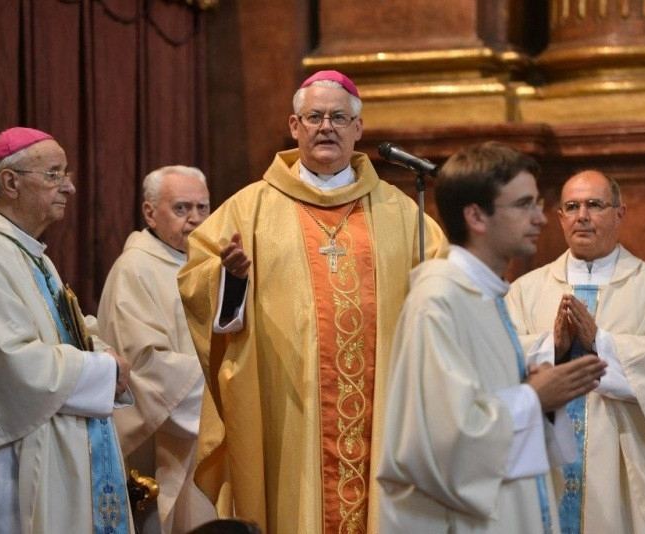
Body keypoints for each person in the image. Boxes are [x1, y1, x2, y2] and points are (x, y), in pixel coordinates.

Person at [178, 70, 449, 533]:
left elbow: (441, 290)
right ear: (294, 126)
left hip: (382, 406)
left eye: (339, 118)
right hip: (288, 407)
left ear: (358, 129)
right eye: (315, 117)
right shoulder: (249, 208)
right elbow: (198, 284)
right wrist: (232, 281)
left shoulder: (401, 212)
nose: (327, 127)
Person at [376, 142, 607, 533]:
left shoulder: (486, 296)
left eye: (537, 204)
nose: (541, 218)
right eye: (524, 205)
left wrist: (534, 391)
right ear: (476, 216)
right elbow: (439, 443)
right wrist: (533, 397)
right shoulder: (438, 301)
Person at [0, 127, 134, 533]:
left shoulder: (29, 254)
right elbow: (16, 364)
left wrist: (102, 351)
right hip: (8, 462)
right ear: (10, 182)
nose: (68, 186)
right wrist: (105, 369)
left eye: (66, 173)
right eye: (54, 174)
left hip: (46, 447)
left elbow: (63, 331)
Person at [505, 169, 645, 533]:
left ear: (620, 214)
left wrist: (601, 342)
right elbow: (497, 361)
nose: (582, 216)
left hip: (624, 478)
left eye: (594, 204)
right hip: (546, 472)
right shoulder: (525, 290)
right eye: (572, 207)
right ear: (560, 218)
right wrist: (551, 347)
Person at [98, 165, 217, 533]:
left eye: (202, 207)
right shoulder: (135, 270)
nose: (195, 218)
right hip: (168, 445)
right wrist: (224, 393)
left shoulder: (209, 263)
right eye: (181, 208)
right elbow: (146, 366)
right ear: (150, 213)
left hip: (209, 437)